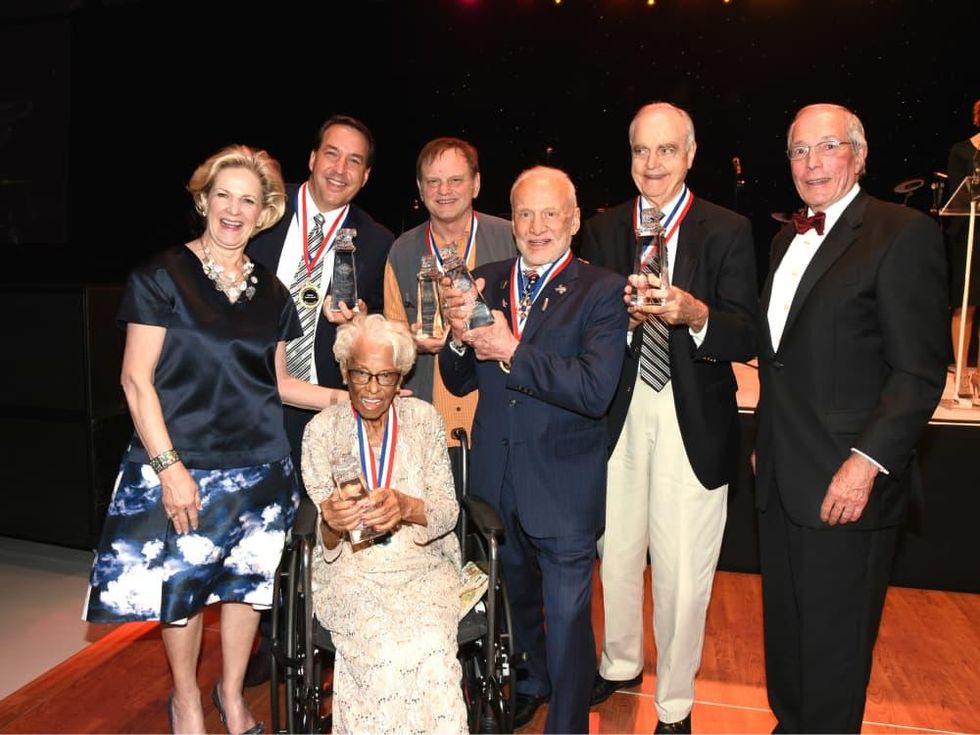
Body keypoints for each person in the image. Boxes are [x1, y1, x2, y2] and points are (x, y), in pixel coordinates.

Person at [83, 145, 348, 735]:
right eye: (223, 195)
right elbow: (135, 380)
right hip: (184, 468)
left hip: (261, 470)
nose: (234, 210)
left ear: (265, 213)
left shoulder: (275, 296)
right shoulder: (161, 277)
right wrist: (169, 468)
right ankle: (185, 700)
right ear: (203, 201)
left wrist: (351, 399)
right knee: (183, 595)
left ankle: (230, 695)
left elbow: (280, 384)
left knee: (245, 590)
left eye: (248, 200)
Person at [755, 103, 948, 733]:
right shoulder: (787, 237)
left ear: (860, 156)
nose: (811, 163)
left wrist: (863, 466)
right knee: (788, 649)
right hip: (784, 478)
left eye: (827, 147)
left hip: (847, 486)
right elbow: (782, 360)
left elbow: (918, 372)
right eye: (799, 150)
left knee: (834, 663)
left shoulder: (902, 232)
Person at [578, 101, 759, 734]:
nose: (652, 164)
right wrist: (617, 326)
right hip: (618, 413)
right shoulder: (602, 230)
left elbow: (747, 333)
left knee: (684, 570)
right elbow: (581, 326)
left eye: (665, 150)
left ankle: (676, 706)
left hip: (693, 414)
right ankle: (621, 661)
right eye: (640, 150)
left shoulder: (728, 229)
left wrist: (696, 313)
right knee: (618, 551)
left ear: (690, 154)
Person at [439, 166, 627, 733]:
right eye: (525, 213)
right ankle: (531, 682)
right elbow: (458, 378)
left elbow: (595, 392)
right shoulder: (484, 280)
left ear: (574, 220)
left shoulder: (604, 290)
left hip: (564, 486)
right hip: (497, 483)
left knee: (568, 618)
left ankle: (566, 723)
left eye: (551, 213)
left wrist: (512, 350)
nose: (537, 225)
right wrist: (456, 334)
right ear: (511, 219)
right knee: (515, 605)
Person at [245, 114, 394, 685]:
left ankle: (316, 638)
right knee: (260, 527)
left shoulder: (376, 240)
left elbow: (375, 330)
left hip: (326, 402)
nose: (340, 168)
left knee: (324, 523)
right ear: (311, 158)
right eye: (332, 154)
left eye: (354, 161)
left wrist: (360, 325)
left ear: (366, 175)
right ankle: (262, 638)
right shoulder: (264, 208)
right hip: (251, 396)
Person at [301, 313, 467, 734]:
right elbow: (325, 542)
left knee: (429, 648)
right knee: (380, 648)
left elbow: (447, 512)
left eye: (386, 377)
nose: (373, 389)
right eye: (362, 374)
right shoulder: (321, 431)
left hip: (422, 568)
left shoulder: (424, 420)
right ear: (344, 371)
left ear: (401, 377)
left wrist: (407, 506)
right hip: (351, 574)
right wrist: (331, 523)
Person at [383, 137, 516, 442]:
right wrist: (410, 343)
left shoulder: (510, 241)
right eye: (434, 181)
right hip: (425, 426)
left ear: (476, 184)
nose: (444, 191)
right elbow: (390, 340)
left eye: (456, 180)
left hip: (498, 422)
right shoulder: (401, 251)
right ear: (420, 188)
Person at [944, 99, 980, 373]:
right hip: (970, 234)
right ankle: (962, 372)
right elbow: (957, 193)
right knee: (965, 302)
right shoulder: (962, 151)